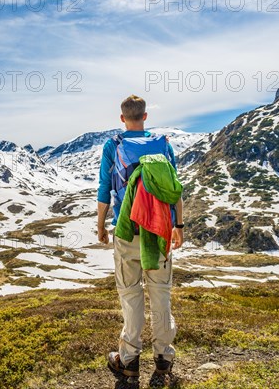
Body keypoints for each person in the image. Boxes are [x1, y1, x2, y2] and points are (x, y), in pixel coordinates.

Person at [97, 95, 184, 388]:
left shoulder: (114, 146)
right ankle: (163, 360)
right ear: (145, 116)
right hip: (159, 231)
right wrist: (178, 225)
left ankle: (129, 361)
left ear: (123, 119)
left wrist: (101, 226)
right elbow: (175, 189)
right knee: (161, 293)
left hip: (127, 231)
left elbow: (104, 190)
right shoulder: (163, 144)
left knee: (130, 295)